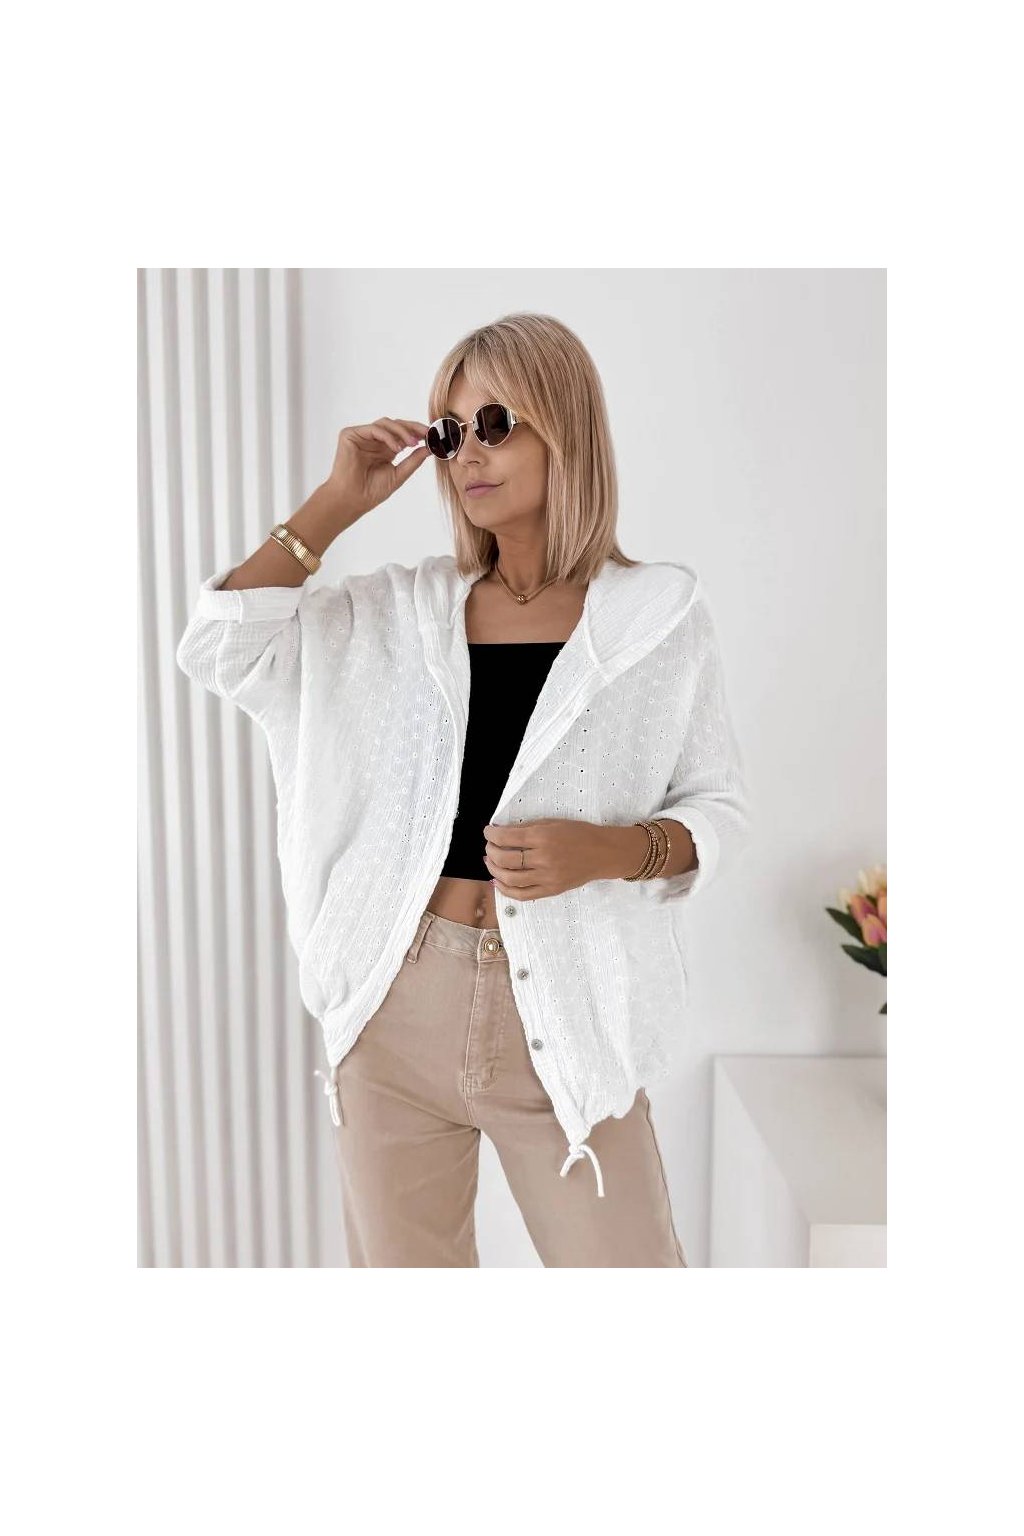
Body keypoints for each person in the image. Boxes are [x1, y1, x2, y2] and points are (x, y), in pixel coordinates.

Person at [176, 311, 751, 1266]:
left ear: (564, 427)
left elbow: (714, 807)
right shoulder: (396, 613)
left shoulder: (656, 616)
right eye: (449, 432)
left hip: (566, 1007)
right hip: (394, 1009)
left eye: (494, 423)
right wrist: (335, 504)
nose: (467, 454)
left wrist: (610, 851)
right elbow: (222, 648)